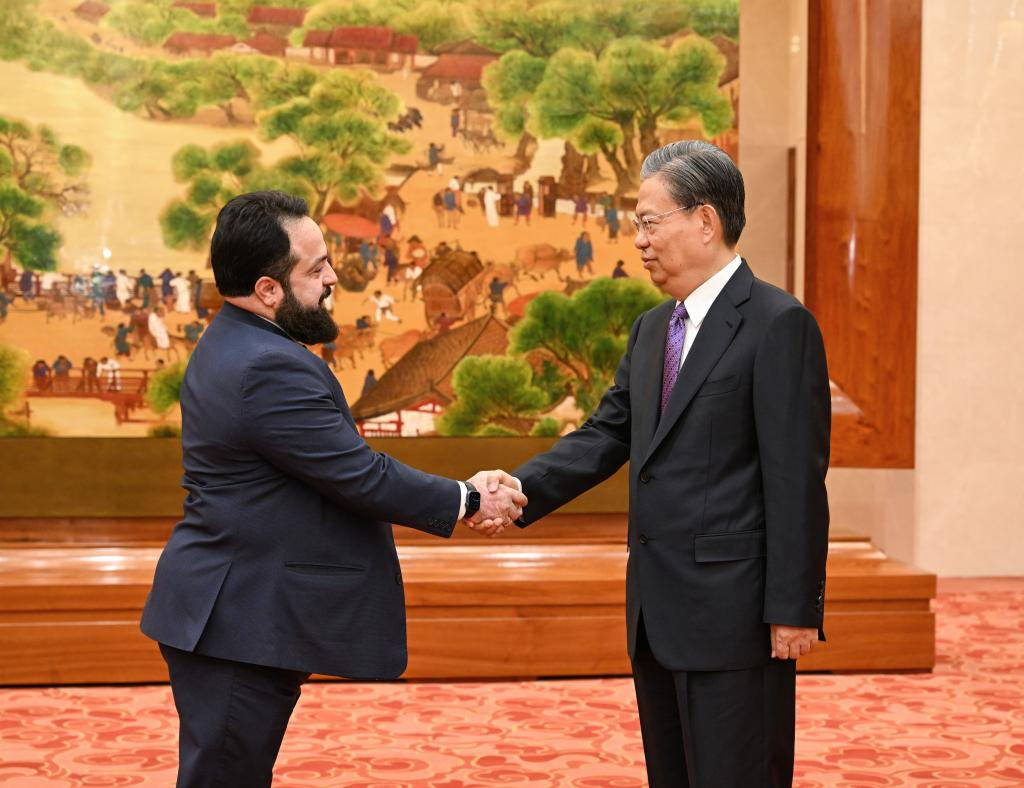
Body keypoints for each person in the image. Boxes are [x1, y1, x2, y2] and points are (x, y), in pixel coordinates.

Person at [139, 191, 526, 788]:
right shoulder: (267, 365)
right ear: (269, 289)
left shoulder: (236, 342)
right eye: (316, 268)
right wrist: (470, 498)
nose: (332, 279)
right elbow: (358, 475)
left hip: (231, 612)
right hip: (237, 620)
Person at [477, 141, 831, 788]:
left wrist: (794, 605)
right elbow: (604, 436)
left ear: (705, 221)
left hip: (736, 616)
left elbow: (796, 476)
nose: (637, 239)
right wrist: (519, 488)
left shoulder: (778, 324)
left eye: (648, 221)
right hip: (656, 613)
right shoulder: (650, 331)